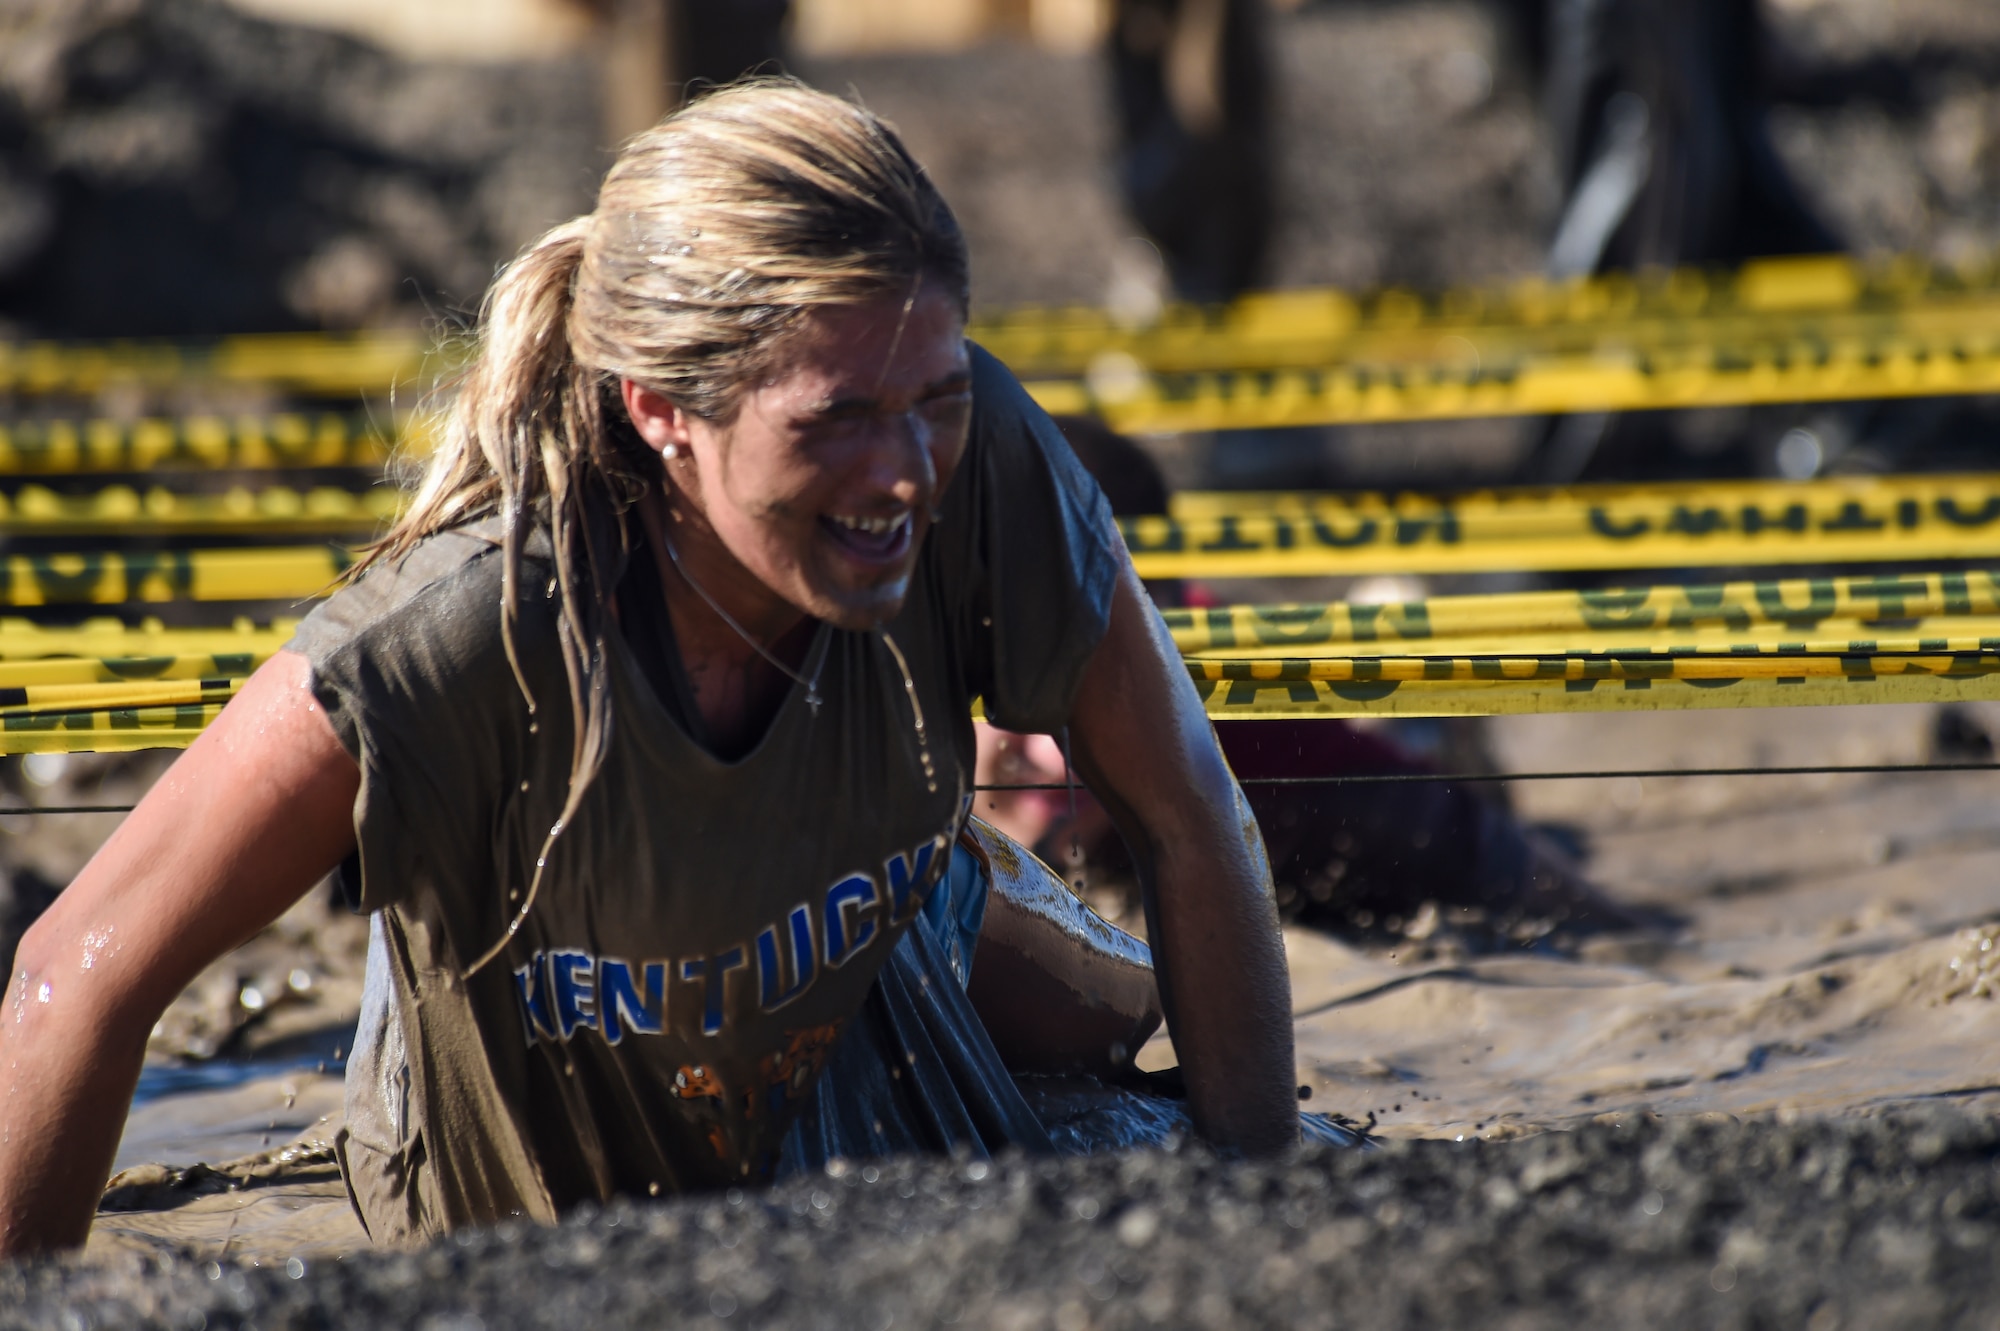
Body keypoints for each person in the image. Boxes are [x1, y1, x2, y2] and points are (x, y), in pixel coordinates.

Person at [0, 81, 1300, 1252]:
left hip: (846, 949)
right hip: (534, 1070)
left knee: (1107, 1009)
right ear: (660, 410)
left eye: (936, 396)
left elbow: (1192, 815)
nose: (904, 470)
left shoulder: (987, 459)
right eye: (838, 416)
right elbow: (76, 971)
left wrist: (1270, 1214)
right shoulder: (452, 640)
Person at [977, 416, 1639, 946]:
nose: (1044, 752)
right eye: (1015, 688)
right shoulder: (915, 709)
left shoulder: (1246, 724)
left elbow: (1479, 847)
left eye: (1087, 696)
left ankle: (1403, 678)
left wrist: (1640, 939)